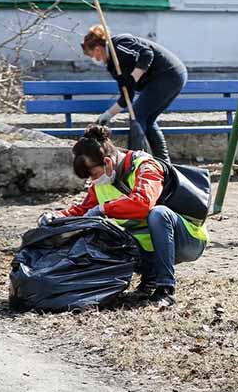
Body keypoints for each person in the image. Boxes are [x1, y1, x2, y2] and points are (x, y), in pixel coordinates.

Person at [38, 125, 208, 308]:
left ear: (108, 162)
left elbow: (143, 203)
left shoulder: (146, 167)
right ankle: (149, 277)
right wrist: (55, 217)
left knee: (159, 214)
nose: (92, 181)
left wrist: (105, 209)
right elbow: (83, 210)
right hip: (147, 243)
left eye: (93, 174)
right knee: (106, 237)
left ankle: (165, 289)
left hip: (188, 239)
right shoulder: (102, 182)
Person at [81, 25, 188, 164]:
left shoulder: (119, 45)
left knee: (137, 115)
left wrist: (132, 78)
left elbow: (146, 54)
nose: (94, 59)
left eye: (92, 55)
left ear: (97, 49)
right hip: (166, 78)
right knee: (147, 119)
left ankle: (135, 163)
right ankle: (163, 163)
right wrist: (107, 115)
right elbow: (127, 97)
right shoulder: (113, 66)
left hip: (169, 74)